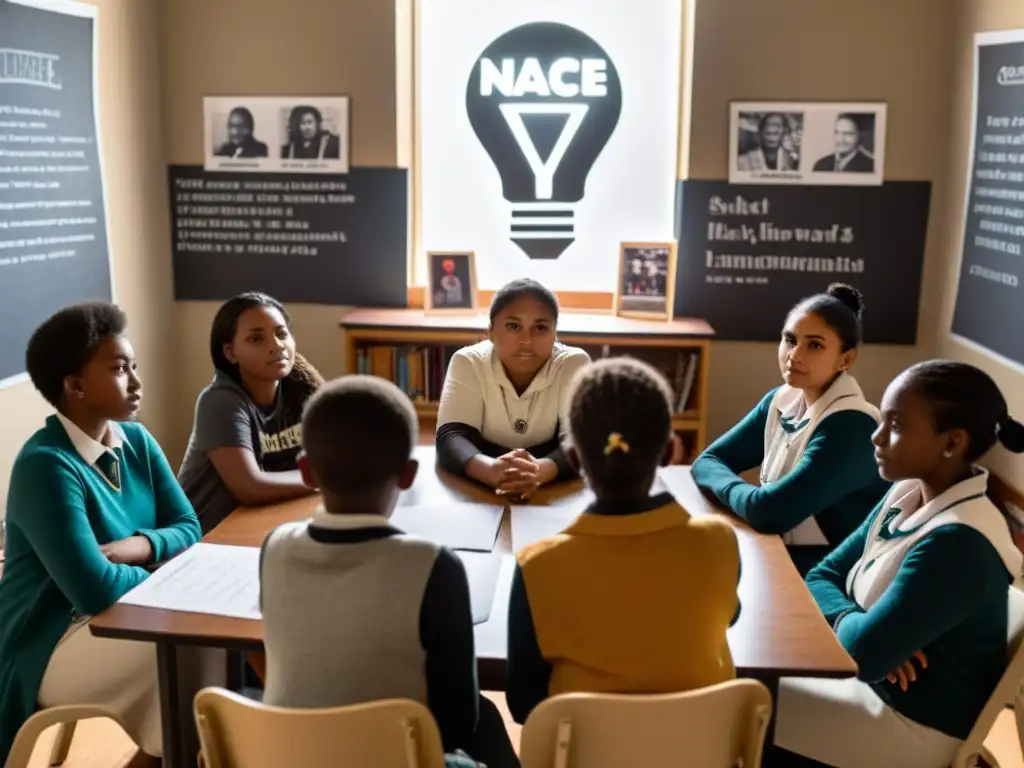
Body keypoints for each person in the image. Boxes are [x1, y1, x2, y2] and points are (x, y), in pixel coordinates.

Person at [770, 361, 1024, 768]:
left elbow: (864, 654)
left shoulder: (959, 542)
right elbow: (821, 574)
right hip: (869, 686)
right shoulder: (905, 492)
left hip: (908, 725)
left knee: (743, 697)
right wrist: (858, 621)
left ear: (952, 443)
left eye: (896, 425)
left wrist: (870, 640)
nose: (876, 435)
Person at [259, 376, 519, 767]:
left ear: (307, 472)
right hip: (396, 757)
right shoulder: (434, 565)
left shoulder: (274, 547)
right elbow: (457, 723)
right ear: (409, 474)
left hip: (294, 754)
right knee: (484, 728)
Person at [0, 303, 201, 764]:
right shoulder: (46, 466)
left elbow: (190, 528)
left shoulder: (138, 440)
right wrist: (168, 574)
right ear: (74, 386)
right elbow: (94, 589)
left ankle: (173, 755)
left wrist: (139, 547)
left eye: (134, 365)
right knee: (185, 652)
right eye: (117, 368)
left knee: (195, 652)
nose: (135, 380)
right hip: (48, 639)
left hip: (121, 614)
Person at [506, 358, 741, 724]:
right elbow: (731, 614)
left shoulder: (537, 566)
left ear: (572, 457)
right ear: (670, 452)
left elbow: (524, 706)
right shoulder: (719, 541)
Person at [691, 283, 889, 575]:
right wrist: (752, 499)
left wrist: (749, 499)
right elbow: (706, 462)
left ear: (845, 359)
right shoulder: (781, 400)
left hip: (847, 577)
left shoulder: (851, 426)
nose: (794, 355)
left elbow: (770, 514)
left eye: (815, 345)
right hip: (789, 554)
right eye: (790, 339)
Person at [178, 292, 323, 533]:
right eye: (256, 339)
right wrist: (326, 480)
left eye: (281, 333)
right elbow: (250, 487)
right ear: (229, 352)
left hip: (264, 520)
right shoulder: (219, 401)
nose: (276, 345)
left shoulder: (301, 388)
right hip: (206, 536)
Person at [436, 278, 591, 498]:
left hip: (551, 484)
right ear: (490, 331)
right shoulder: (467, 362)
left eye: (540, 327)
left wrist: (539, 472)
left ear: (555, 332)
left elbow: (583, 440)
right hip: (481, 485)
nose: (526, 340)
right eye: (513, 326)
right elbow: (451, 437)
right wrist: (489, 470)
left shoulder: (573, 363)